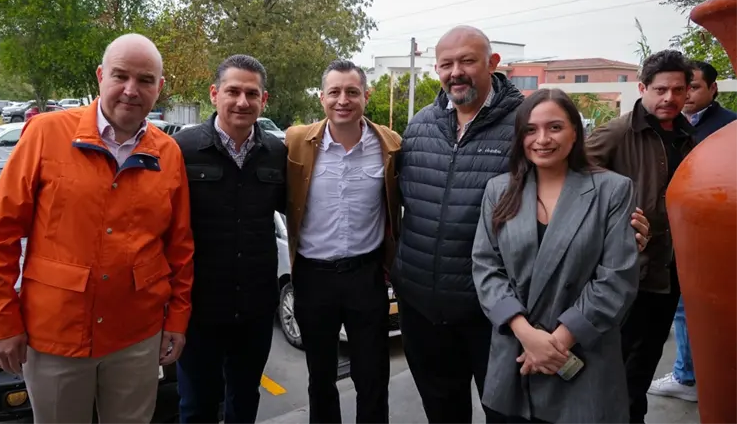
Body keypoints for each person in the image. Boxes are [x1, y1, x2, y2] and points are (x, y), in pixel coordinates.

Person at [391, 25, 651, 424]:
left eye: (467, 61)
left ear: (493, 63)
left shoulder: (525, 122)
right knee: (441, 411)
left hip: (496, 316)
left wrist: (621, 226)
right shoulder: (420, 125)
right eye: (446, 64)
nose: (456, 72)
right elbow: (402, 201)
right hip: (423, 308)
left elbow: (577, 183)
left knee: (507, 413)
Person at [0, 33, 195, 424]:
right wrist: (3, 322)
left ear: (159, 88)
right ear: (100, 76)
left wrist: (176, 319)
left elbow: (179, 247)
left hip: (137, 335)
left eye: (145, 80)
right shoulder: (45, 134)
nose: (131, 90)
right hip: (55, 335)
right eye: (120, 76)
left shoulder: (168, 153)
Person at [472, 88, 640, 424]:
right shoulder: (499, 190)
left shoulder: (612, 190)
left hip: (582, 353)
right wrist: (526, 334)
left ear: (575, 132)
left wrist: (554, 344)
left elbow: (616, 277)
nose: (542, 139)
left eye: (555, 127)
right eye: (531, 130)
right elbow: (486, 267)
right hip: (515, 352)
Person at [285, 59, 401, 424]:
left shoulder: (391, 145)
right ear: (322, 98)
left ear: (366, 96)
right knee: (320, 376)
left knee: (372, 375)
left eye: (352, 92)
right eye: (334, 92)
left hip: (365, 276)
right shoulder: (296, 142)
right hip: (312, 277)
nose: (343, 100)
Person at [172, 54, 287, 424]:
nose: (242, 101)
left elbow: (298, 214)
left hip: (255, 309)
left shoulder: (277, 153)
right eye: (232, 91)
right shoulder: (182, 150)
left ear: (263, 100)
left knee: (245, 398)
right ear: (214, 94)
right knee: (197, 404)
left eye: (251, 94)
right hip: (199, 309)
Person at [585, 49, 696, 424]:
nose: (669, 98)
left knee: (645, 361)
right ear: (642, 88)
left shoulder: (687, 134)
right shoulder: (616, 133)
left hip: (670, 270)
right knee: (618, 367)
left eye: (678, 90)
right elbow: (575, 185)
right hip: (627, 271)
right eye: (661, 89)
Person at [648, 60, 737, 403]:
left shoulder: (726, 127)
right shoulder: (672, 125)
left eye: (691, 87)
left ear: (713, 89)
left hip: (710, 232)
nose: (681, 96)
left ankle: (687, 376)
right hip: (673, 227)